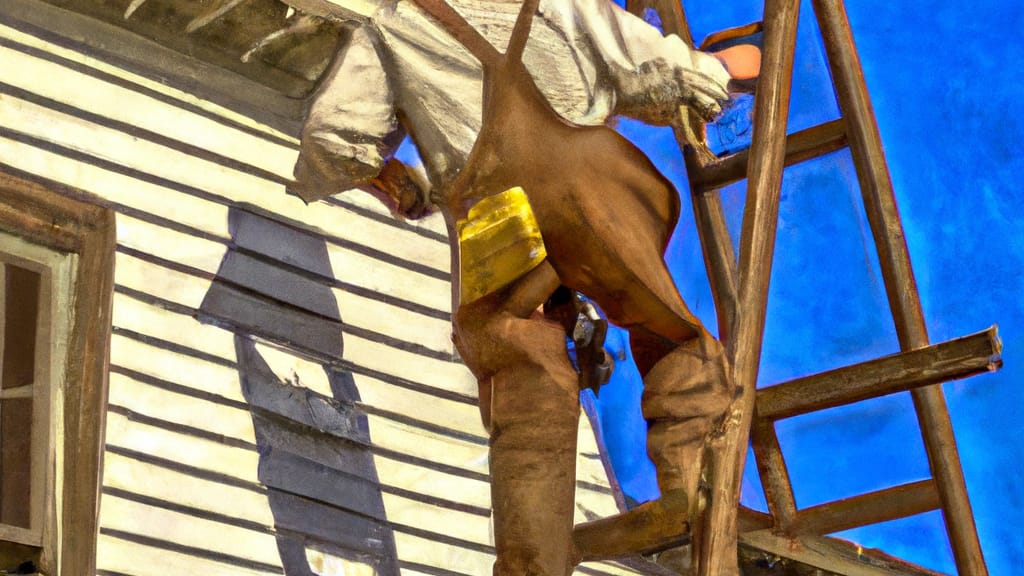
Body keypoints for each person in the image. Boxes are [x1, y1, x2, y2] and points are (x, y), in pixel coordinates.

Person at [289, 0, 759, 573]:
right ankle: (692, 499)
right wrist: (730, 64)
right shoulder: (556, 4)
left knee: (520, 370)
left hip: (494, 220)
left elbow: (334, 139)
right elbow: (661, 70)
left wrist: (399, 184)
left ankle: (532, 560)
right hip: (591, 196)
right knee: (670, 333)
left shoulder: (390, 27)